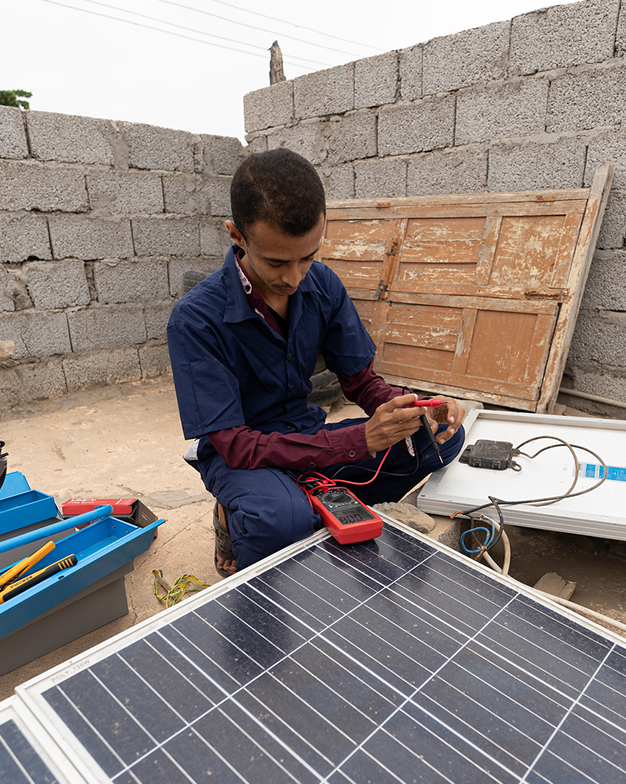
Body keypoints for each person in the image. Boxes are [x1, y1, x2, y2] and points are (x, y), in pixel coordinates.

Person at [166, 148, 466, 575]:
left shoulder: (321, 284)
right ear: (236, 235)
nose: (294, 277)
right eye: (276, 261)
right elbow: (235, 444)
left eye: (307, 256)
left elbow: (362, 383)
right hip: (238, 456)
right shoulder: (195, 319)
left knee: (439, 439)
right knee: (281, 520)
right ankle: (243, 511)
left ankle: (293, 496)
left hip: (303, 438)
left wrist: (413, 407)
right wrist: (358, 442)